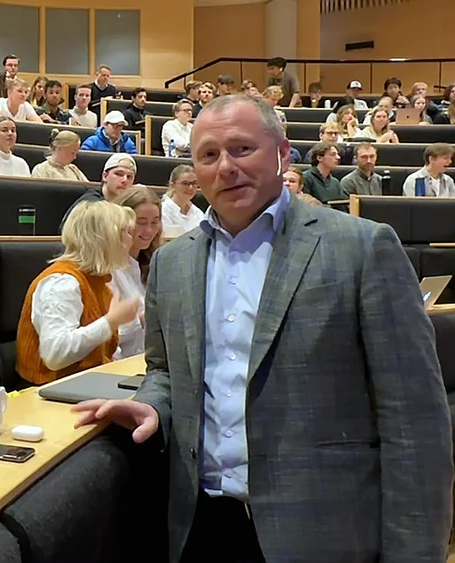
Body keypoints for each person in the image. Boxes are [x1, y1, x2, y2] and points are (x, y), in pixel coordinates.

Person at [72, 93, 453, 563]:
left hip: (323, 532)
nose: (226, 167)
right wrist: (153, 405)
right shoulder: (172, 263)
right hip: (201, 526)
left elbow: (414, 421)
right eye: (209, 155)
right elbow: (164, 371)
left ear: (281, 151)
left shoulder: (362, 248)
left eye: (242, 149)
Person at [16, 200, 141, 385]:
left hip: (89, 383)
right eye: (125, 233)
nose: (132, 239)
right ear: (105, 239)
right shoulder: (62, 283)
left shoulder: (100, 280)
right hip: (49, 393)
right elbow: (55, 354)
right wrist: (111, 321)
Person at [60, 152, 138, 231]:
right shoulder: (90, 204)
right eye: (118, 174)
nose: (124, 180)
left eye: (129, 177)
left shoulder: (131, 204)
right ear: (105, 176)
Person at [118, 186, 161, 284]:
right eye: (141, 222)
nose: (149, 231)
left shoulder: (157, 262)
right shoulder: (109, 268)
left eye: (154, 222)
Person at [161, 164, 203, 236]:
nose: (190, 187)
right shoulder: (164, 210)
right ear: (173, 185)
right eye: (185, 183)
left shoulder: (197, 213)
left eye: (194, 183)